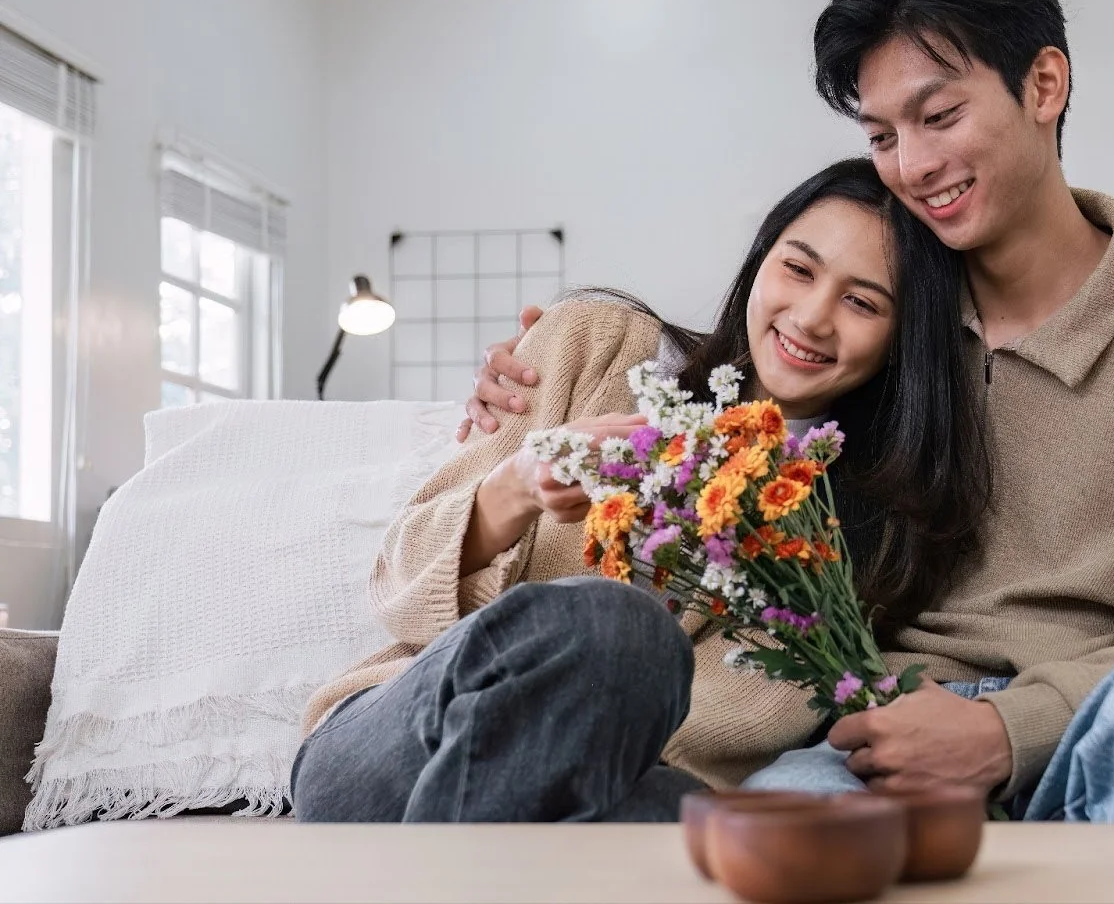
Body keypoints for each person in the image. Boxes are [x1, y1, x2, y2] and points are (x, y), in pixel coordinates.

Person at [463, 0, 1114, 821]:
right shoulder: (874, 328)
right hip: (877, 740)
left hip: (1111, 721)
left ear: (1045, 86)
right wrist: (533, 381)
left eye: (939, 117)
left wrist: (1003, 731)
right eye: (881, 134)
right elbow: (737, 377)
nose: (912, 167)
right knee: (778, 819)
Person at [291, 157, 992, 822]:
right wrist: (519, 485)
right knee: (617, 626)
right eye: (798, 268)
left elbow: (740, 732)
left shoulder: (864, 529)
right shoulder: (594, 344)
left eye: (862, 303)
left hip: (611, 787)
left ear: (903, 339)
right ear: (760, 261)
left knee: (723, 824)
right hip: (391, 746)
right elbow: (397, 586)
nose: (811, 316)